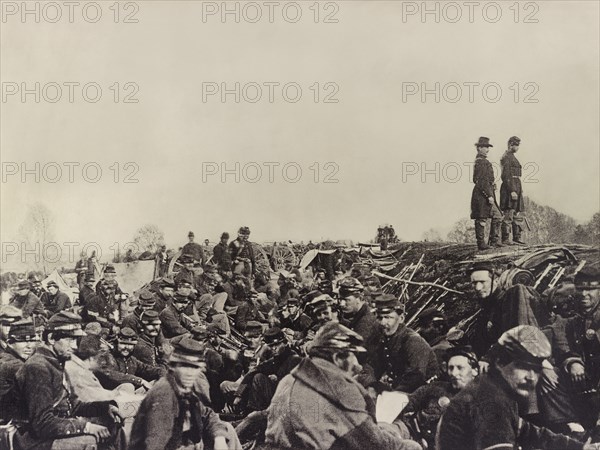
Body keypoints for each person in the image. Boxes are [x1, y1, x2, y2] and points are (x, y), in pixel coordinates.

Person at [437, 325, 600, 450]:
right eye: (523, 367)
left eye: (536, 370)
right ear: (500, 363)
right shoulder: (490, 401)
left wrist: (578, 447)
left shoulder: (494, 390)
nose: (531, 377)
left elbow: (528, 431)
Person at [264, 321, 421, 450]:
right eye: (355, 357)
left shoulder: (289, 380)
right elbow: (373, 444)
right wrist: (398, 434)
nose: (358, 366)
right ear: (338, 357)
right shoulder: (336, 390)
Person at [14, 311, 125, 450]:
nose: (74, 346)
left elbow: (74, 406)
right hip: (34, 441)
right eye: (69, 339)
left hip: (52, 432)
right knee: (90, 441)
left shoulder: (55, 363)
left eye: (76, 340)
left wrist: (105, 408)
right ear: (51, 338)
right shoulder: (37, 367)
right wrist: (86, 427)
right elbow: (42, 423)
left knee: (115, 428)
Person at [129, 336, 239, 450]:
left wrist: (219, 438)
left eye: (195, 367)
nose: (190, 373)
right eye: (184, 366)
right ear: (173, 366)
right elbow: (155, 443)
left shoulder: (182, 388)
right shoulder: (163, 394)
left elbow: (207, 414)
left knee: (226, 429)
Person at [540, 265, 600, 434]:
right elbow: (560, 342)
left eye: (591, 289)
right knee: (546, 373)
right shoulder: (569, 316)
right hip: (580, 383)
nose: (584, 294)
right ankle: (572, 425)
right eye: (580, 289)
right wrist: (572, 361)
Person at [397, 346, 479, 449]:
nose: (453, 373)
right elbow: (407, 403)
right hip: (411, 435)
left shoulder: (482, 401)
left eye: (460, 368)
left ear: (475, 370)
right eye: (451, 368)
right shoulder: (436, 387)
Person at [364, 295, 438, 394]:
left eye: (387, 317)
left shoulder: (413, 341)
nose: (382, 322)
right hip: (400, 389)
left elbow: (415, 378)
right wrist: (372, 385)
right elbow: (371, 365)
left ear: (401, 318)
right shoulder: (383, 338)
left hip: (424, 393)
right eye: (379, 317)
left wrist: (390, 396)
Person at [95, 327, 165, 391]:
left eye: (130, 344)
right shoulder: (106, 356)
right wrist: (140, 381)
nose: (127, 347)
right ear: (117, 343)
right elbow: (112, 375)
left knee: (155, 382)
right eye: (123, 344)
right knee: (128, 386)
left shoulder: (132, 360)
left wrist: (163, 376)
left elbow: (151, 370)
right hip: (109, 398)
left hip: (127, 398)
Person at [0, 319, 39, 423]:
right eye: (22, 340)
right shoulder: (12, 364)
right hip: (10, 423)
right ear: (9, 343)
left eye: (32, 340)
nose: (29, 346)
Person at [470, 136, 504, 250]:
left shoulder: (483, 161)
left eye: (488, 147)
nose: (487, 150)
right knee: (481, 218)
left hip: (487, 192)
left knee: (498, 216)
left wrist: (492, 185)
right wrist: (488, 195)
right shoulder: (481, 162)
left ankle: (493, 241)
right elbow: (480, 181)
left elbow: (484, 180)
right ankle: (481, 244)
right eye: (485, 147)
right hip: (482, 195)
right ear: (479, 148)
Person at [337, 276, 381, 354]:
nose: (342, 304)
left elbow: (354, 352)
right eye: (340, 299)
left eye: (347, 300)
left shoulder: (366, 322)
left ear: (360, 299)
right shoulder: (358, 314)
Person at [500, 136, 526, 245]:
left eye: (518, 145)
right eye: (515, 145)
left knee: (516, 213)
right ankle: (505, 239)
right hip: (509, 188)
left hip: (516, 186)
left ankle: (517, 237)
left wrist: (518, 190)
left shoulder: (512, 157)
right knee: (508, 213)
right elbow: (505, 176)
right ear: (510, 144)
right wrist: (512, 190)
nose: (517, 147)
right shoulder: (506, 157)